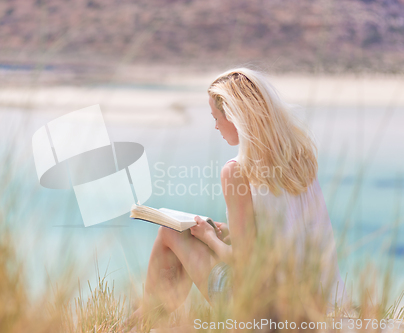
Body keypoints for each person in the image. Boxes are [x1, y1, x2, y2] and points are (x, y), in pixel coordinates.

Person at [131, 67, 350, 324]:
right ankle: (143, 318)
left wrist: (210, 237)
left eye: (216, 117)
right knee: (187, 234)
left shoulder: (237, 171)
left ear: (235, 117)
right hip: (318, 305)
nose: (215, 126)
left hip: (265, 315)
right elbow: (281, 238)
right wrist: (229, 233)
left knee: (169, 232)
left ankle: (142, 320)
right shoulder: (301, 158)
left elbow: (246, 265)